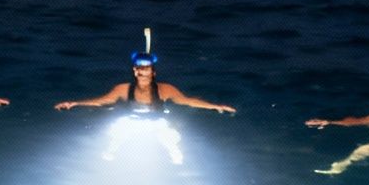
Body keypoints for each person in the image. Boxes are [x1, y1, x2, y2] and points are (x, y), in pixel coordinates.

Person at [52, 52, 235, 115]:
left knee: (174, 149)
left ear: (153, 72)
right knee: (110, 147)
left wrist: (214, 106)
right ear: (134, 71)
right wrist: (75, 103)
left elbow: (187, 101)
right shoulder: (123, 89)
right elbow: (102, 101)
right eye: (139, 70)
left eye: (147, 69)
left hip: (157, 120)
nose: (142, 73)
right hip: (131, 119)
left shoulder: (164, 90)